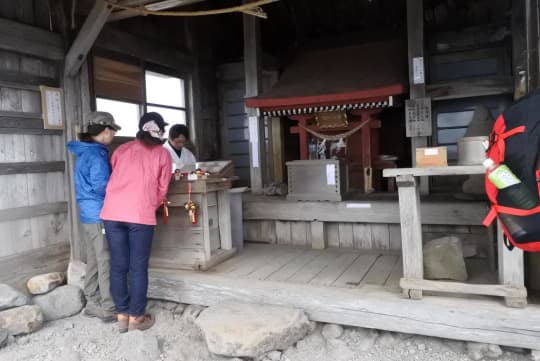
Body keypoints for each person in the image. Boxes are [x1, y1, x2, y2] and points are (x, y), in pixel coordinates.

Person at [100, 112, 172, 333]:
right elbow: (162, 189)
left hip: (112, 212)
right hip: (140, 214)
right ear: (160, 131)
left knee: (119, 265)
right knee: (138, 266)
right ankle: (136, 317)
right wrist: (151, 204)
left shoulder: (121, 149)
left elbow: (116, 173)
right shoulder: (163, 154)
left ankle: (122, 315)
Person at [66, 111, 121, 322]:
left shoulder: (84, 152)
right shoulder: (97, 154)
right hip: (98, 213)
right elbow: (101, 187)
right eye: (112, 131)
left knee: (94, 259)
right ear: (106, 131)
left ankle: (91, 300)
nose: (113, 136)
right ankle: (108, 307)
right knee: (105, 258)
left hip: (87, 214)